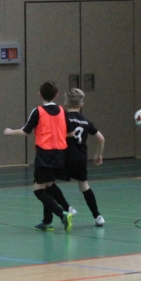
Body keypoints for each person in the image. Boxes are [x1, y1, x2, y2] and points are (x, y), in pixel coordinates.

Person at [4, 80, 73, 232]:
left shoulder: (38, 111)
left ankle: (62, 214)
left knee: (38, 189)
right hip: (60, 155)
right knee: (48, 186)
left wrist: (10, 132)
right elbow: (70, 132)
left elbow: (25, 131)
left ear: (40, 94)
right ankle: (47, 222)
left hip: (45, 155)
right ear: (57, 95)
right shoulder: (62, 111)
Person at [59, 88, 106, 227]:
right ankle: (97, 216)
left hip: (65, 157)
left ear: (65, 104)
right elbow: (101, 139)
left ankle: (65, 209)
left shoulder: (64, 118)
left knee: (47, 183)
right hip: (80, 158)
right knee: (84, 186)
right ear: (81, 104)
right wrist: (98, 154)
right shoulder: (86, 121)